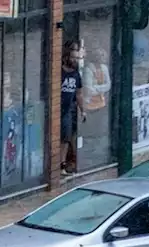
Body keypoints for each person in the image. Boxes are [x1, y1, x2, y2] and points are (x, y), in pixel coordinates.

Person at [60, 42, 86, 175]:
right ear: (67, 58)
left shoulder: (76, 75)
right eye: (73, 58)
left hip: (68, 110)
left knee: (66, 138)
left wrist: (83, 110)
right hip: (56, 110)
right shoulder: (60, 72)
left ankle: (62, 164)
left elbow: (79, 93)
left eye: (77, 58)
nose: (75, 60)